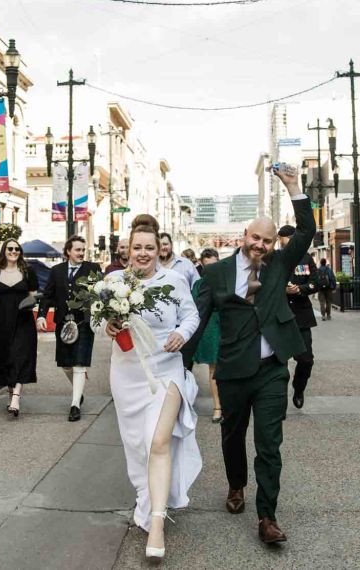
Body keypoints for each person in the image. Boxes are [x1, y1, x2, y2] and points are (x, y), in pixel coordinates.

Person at [189, 164, 311, 545]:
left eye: (268, 241)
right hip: (232, 370)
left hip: (272, 369)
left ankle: (267, 517)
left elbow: (306, 231)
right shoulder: (216, 274)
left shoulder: (278, 265)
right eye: (255, 237)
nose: (260, 245)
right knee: (231, 435)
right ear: (244, 235)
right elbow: (196, 318)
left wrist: (293, 186)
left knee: (269, 443)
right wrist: (177, 367)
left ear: (274, 244)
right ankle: (235, 484)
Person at [101, 217, 201, 560]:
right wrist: (109, 325)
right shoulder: (114, 280)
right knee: (138, 447)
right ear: (128, 250)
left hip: (165, 369)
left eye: (149, 247)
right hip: (127, 372)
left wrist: (182, 334)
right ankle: (148, 498)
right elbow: (98, 317)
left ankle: (157, 523)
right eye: (137, 247)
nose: (143, 253)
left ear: (160, 250)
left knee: (158, 441)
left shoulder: (174, 280)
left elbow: (191, 316)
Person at [37, 235, 103, 422]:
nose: (82, 253)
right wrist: (42, 314)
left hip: (83, 322)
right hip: (63, 322)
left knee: (79, 363)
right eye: (78, 250)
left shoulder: (93, 269)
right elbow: (48, 295)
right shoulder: (57, 271)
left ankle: (75, 405)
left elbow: (101, 292)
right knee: (65, 363)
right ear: (68, 251)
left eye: (83, 250)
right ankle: (78, 390)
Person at [0, 239, 39, 417]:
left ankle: (15, 396)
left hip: (23, 321)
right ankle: (11, 393)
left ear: (20, 252)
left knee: (20, 356)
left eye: (17, 249)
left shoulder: (28, 272)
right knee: (7, 356)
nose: (13, 251)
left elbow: (34, 297)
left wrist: (32, 308)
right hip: (1, 321)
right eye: (10, 249)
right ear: (4, 251)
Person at [279, 225, 318, 409]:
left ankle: (298, 388)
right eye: (287, 239)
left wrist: (300, 289)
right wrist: (283, 290)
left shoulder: (306, 258)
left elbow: (316, 282)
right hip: (280, 317)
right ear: (281, 240)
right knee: (280, 362)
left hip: (302, 317)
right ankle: (278, 397)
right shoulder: (276, 258)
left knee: (306, 360)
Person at [191, 248, 224, 422]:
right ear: (202, 266)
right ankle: (218, 406)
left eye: (214, 265)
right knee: (214, 368)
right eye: (207, 266)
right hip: (211, 328)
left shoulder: (229, 280)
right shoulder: (199, 285)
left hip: (229, 325)